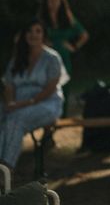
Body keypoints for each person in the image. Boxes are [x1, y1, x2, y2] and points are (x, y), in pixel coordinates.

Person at [0, 18, 68, 169]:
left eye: (38, 31)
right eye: (29, 31)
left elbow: (50, 88)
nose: (33, 35)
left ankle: (5, 168)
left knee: (15, 120)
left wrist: (22, 104)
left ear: (43, 35)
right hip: (17, 103)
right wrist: (10, 103)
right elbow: (9, 85)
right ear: (24, 35)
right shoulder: (18, 57)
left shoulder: (52, 58)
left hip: (46, 103)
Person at [38, 0, 89, 115]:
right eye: (51, 0)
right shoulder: (41, 19)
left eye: (56, 0)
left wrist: (74, 47)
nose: (53, 3)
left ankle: (62, 116)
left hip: (63, 58)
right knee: (47, 86)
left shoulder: (67, 18)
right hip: (46, 59)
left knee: (63, 87)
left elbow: (84, 35)